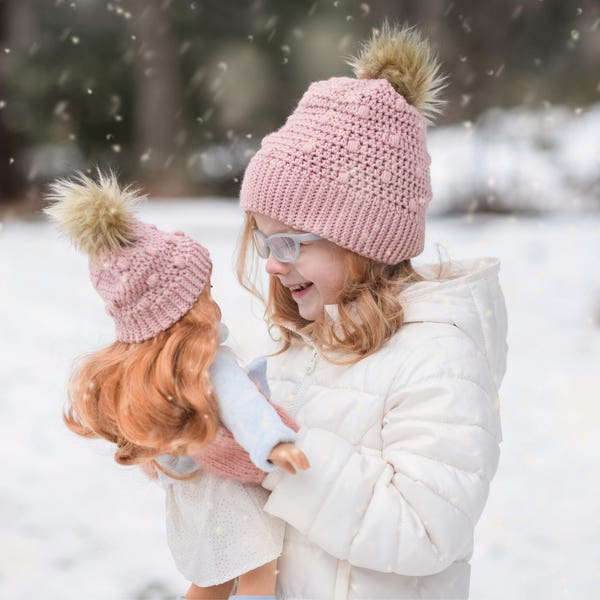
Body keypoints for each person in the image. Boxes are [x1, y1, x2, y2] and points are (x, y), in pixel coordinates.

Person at [236, 24, 508, 599]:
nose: (273, 267)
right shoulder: (305, 346)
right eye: (265, 243)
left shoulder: (438, 357)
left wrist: (271, 455)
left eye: (289, 242)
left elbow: (426, 528)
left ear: (363, 240)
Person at [44, 172, 309, 600]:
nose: (216, 304)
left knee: (211, 581)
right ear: (179, 314)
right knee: (261, 573)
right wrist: (274, 442)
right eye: (206, 294)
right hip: (230, 499)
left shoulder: (150, 379)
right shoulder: (210, 364)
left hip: (191, 504)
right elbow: (244, 406)